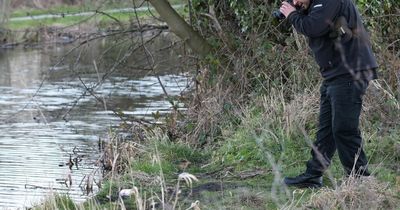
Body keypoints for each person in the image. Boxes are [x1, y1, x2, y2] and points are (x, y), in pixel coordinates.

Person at [279, 0, 378, 188]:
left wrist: (292, 14)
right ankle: (313, 175)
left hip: (350, 71)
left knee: (344, 128)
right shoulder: (315, 5)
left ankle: (361, 180)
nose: (296, 2)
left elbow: (314, 27)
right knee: (326, 130)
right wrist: (299, 11)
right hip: (335, 73)